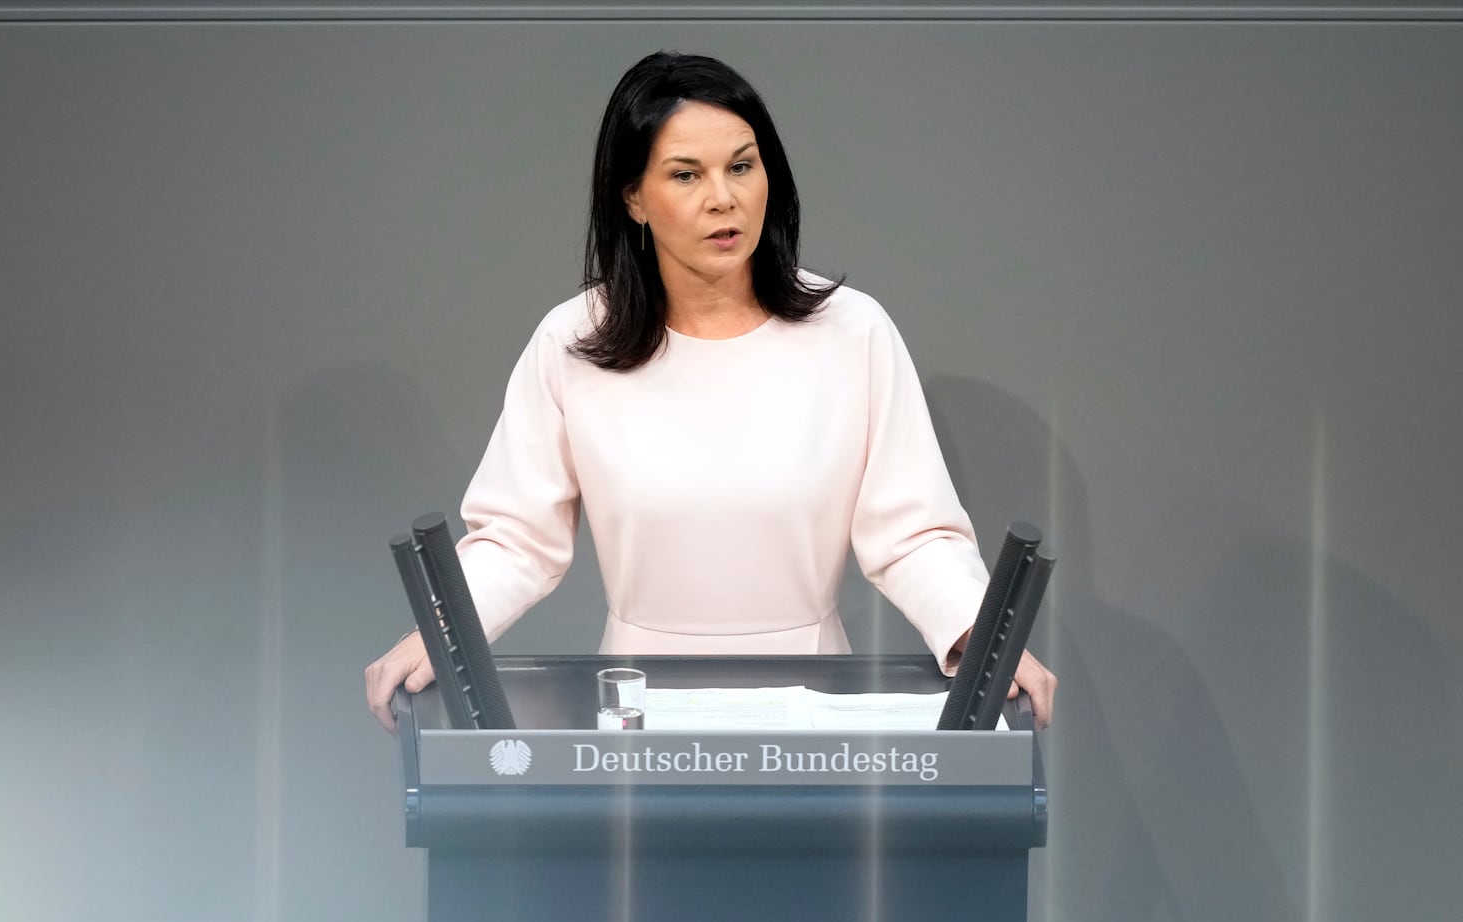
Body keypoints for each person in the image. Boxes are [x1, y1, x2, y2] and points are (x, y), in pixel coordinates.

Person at [365, 51, 1055, 732]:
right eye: (686, 174)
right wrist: (442, 631)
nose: (722, 198)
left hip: (813, 708)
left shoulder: (853, 331)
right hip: (634, 710)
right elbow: (517, 538)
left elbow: (912, 532)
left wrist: (977, 632)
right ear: (633, 196)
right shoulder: (574, 341)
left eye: (742, 166)